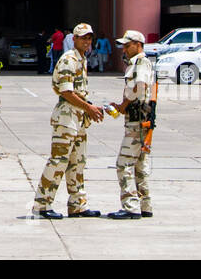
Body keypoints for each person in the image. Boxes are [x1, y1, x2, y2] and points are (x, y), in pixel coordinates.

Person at [32, 23, 105, 219]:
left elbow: (78, 91)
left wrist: (89, 107)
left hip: (79, 118)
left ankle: (77, 205)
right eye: (83, 38)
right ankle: (42, 205)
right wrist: (88, 107)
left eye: (89, 38)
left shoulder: (82, 59)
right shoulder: (68, 59)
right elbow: (66, 91)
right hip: (66, 117)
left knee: (77, 162)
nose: (87, 41)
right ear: (74, 39)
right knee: (58, 161)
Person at [105, 30, 155, 219]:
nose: (124, 49)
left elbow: (139, 85)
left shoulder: (139, 63)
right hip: (142, 120)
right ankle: (145, 205)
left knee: (123, 164)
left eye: (128, 45)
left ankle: (130, 207)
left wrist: (123, 105)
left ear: (138, 45)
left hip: (136, 120)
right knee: (140, 165)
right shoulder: (144, 62)